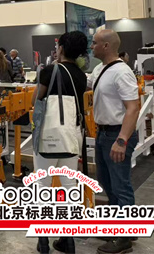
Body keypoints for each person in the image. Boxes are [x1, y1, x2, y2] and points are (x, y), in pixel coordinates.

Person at [32, 31, 88, 254]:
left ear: (61, 48)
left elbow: (37, 98)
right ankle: (68, 240)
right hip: (72, 135)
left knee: (42, 186)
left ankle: (43, 240)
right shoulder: (81, 75)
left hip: (49, 134)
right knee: (69, 185)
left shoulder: (50, 70)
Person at [89, 30, 140, 254]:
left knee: (120, 186)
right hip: (103, 133)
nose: (91, 47)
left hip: (117, 134)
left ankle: (124, 238)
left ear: (106, 46)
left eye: (94, 43)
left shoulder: (122, 72)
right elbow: (85, 83)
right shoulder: (100, 69)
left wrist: (122, 140)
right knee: (107, 183)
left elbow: (133, 108)